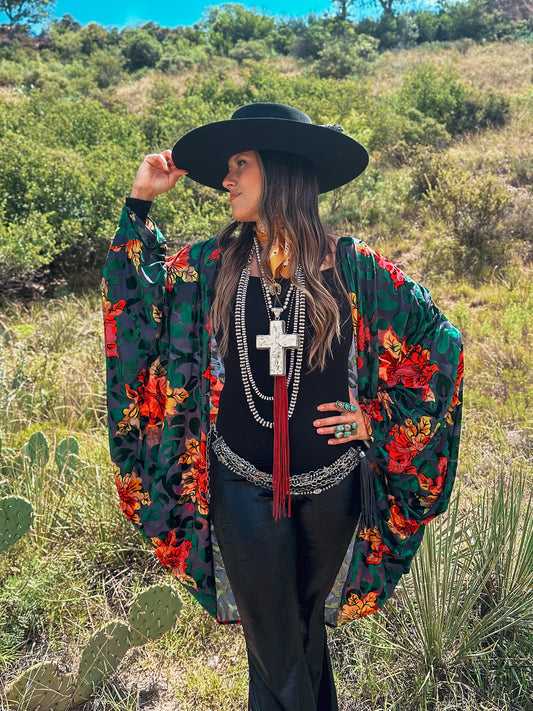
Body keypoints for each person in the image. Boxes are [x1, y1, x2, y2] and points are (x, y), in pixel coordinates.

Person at [103, 102, 463, 711]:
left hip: (333, 486)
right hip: (239, 482)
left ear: (281, 170)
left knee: (301, 627)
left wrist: (376, 418)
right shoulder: (212, 266)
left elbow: (440, 343)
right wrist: (140, 203)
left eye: (239, 164)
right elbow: (135, 304)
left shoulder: (355, 269)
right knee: (273, 632)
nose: (226, 180)